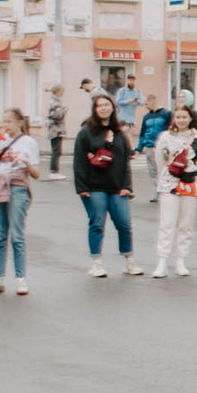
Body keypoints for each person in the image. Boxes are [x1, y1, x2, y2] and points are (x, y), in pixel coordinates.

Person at [74, 92, 139, 277]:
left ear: (113, 108)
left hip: (117, 187)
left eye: (107, 105)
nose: (104, 108)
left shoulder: (119, 133)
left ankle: (129, 261)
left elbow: (125, 161)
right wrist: (82, 187)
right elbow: (79, 161)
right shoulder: (86, 132)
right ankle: (96, 263)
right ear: (95, 109)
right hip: (94, 187)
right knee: (97, 224)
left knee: (124, 224)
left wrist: (127, 185)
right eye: (99, 105)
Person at [0, 109, 41, 294]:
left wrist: (26, 162)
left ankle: (20, 279)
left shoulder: (29, 142)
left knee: (17, 235)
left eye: (9, 121)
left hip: (17, 187)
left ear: (19, 122)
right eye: (3, 121)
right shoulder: (0, 140)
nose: (5, 124)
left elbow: (36, 174)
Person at [145, 103, 197, 277]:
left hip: (190, 184)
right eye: (178, 117)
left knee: (186, 224)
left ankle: (181, 259)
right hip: (170, 184)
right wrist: (166, 178)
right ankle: (162, 260)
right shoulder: (165, 136)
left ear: (191, 118)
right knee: (167, 223)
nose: (181, 120)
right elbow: (159, 159)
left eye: (184, 117)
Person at [136, 98, 169, 202]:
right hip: (150, 145)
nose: (145, 105)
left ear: (153, 101)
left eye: (147, 103)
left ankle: (166, 190)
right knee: (153, 171)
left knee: (163, 169)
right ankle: (159, 191)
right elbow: (142, 133)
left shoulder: (166, 114)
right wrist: (139, 148)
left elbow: (169, 129)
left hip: (162, 146)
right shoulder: (147, 117)